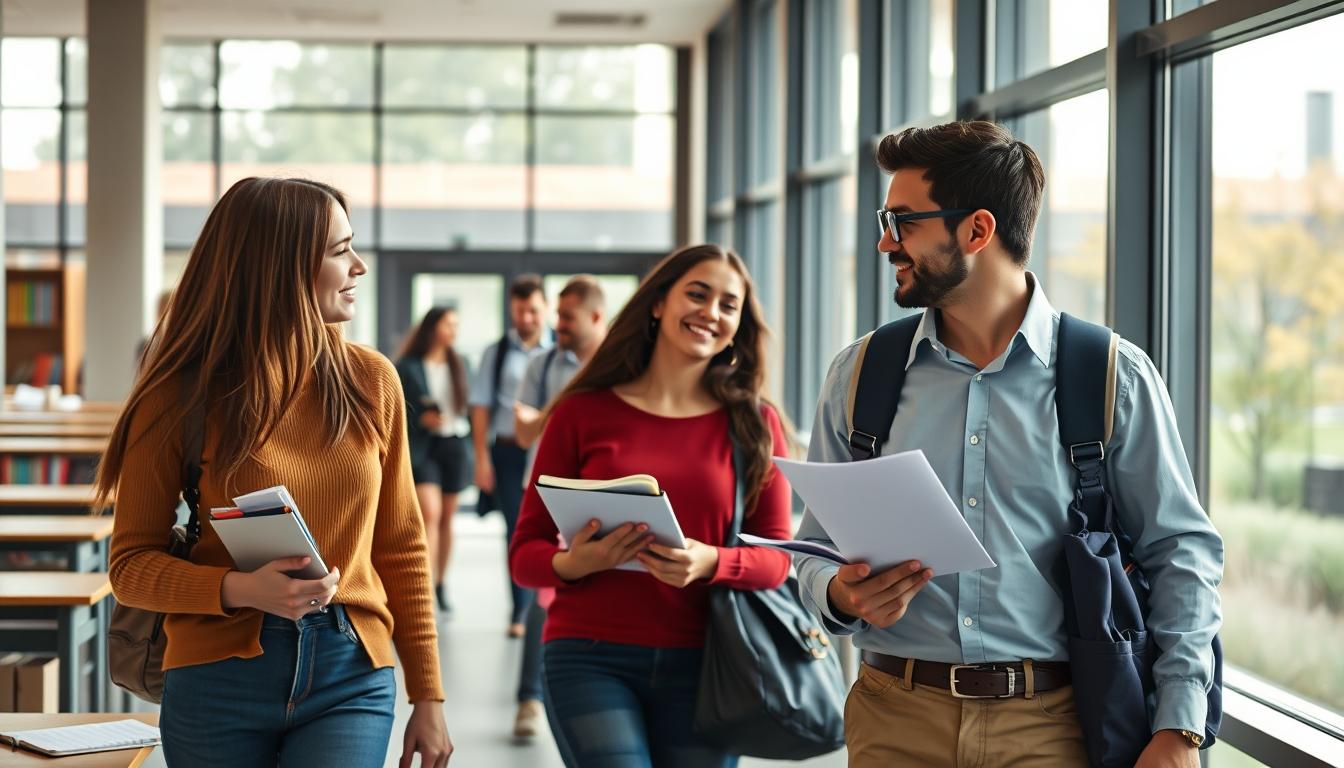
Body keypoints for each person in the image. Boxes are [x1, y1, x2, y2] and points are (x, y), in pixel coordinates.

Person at [793, 121, 1224, 767]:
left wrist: (1180, 726)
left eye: (902, 221)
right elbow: (813, 549)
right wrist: (838, 593)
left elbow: (1180, 551)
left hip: (1054, 728)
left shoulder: (1111, 375)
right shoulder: (861, 374)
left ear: (977, 230)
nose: (885, 241)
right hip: (893, 718)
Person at [97, 177, 453, 768]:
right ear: (281, 267)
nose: (359, 267)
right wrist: (240, 589)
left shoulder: (373, 381)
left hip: (351, 672)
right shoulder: (177, 397)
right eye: (341, 251)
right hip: (215, 675)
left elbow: (401, 547)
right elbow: (130, 567)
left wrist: (429, 695)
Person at [509, 244, 794, 768]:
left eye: (728, 305)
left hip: (709, 665)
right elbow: (525, 554)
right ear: (659, 302)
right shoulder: (581, 413)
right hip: (588, 655)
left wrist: (710, 561)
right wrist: (574, 563)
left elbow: (777, 559)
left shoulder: (756, 424)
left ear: (739, 324)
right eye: (698, 295)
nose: (711, 312)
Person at [508, 275, 608, 739]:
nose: (558, 325)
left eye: (568, 317)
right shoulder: (543, 364)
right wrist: (565, 404)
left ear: (595, 317)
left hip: (602, 493)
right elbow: (524, 433)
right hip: (548, 493)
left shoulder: (624, 364)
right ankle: (530, 697)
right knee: (542, 591)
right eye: (559, 315)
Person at [470, 273, 551, 638]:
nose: (527, 318)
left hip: (548, 451)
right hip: (507, 452)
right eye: (520, 311)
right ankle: (521, 609)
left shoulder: (558, 351)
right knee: (517, 530)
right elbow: (481, 407)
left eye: (533, 310)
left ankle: (544, 608)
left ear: (545, 307)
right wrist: (481, 459)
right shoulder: (498, 352)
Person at [396, 306, 474, 615]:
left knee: (446, 519)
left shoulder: (461, 363)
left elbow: (471, 406)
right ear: (432, 327)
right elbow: (398, 409)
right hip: (423, 448)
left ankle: (441, 583)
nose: (454, 330)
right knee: (429, 513)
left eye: (457, 324)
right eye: (448, 324)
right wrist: (421, 420)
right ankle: (424, 588)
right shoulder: (408, 366)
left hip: (454, 444)